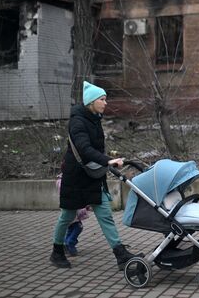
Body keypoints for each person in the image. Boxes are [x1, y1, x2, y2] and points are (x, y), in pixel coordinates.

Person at [50, 81, 142, 269]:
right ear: (91, 102)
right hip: (75, 177)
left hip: (92, 175)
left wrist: (107, 158)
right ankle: (57, 251)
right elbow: (84, 148)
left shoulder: (94, 118)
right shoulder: (77, 121)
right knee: (67, 216)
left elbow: (94, 148)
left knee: (105, 214)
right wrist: (106, 160)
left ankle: (120, 254)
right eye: (102, 99)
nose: (105, 103)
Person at [55, 174, 89, 256]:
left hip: (68, 207)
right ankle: (70, 242)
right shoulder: (69, 181)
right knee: (78, 227)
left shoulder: (62, 181)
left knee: (71, 227)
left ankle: (67, 242)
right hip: (74, 207)